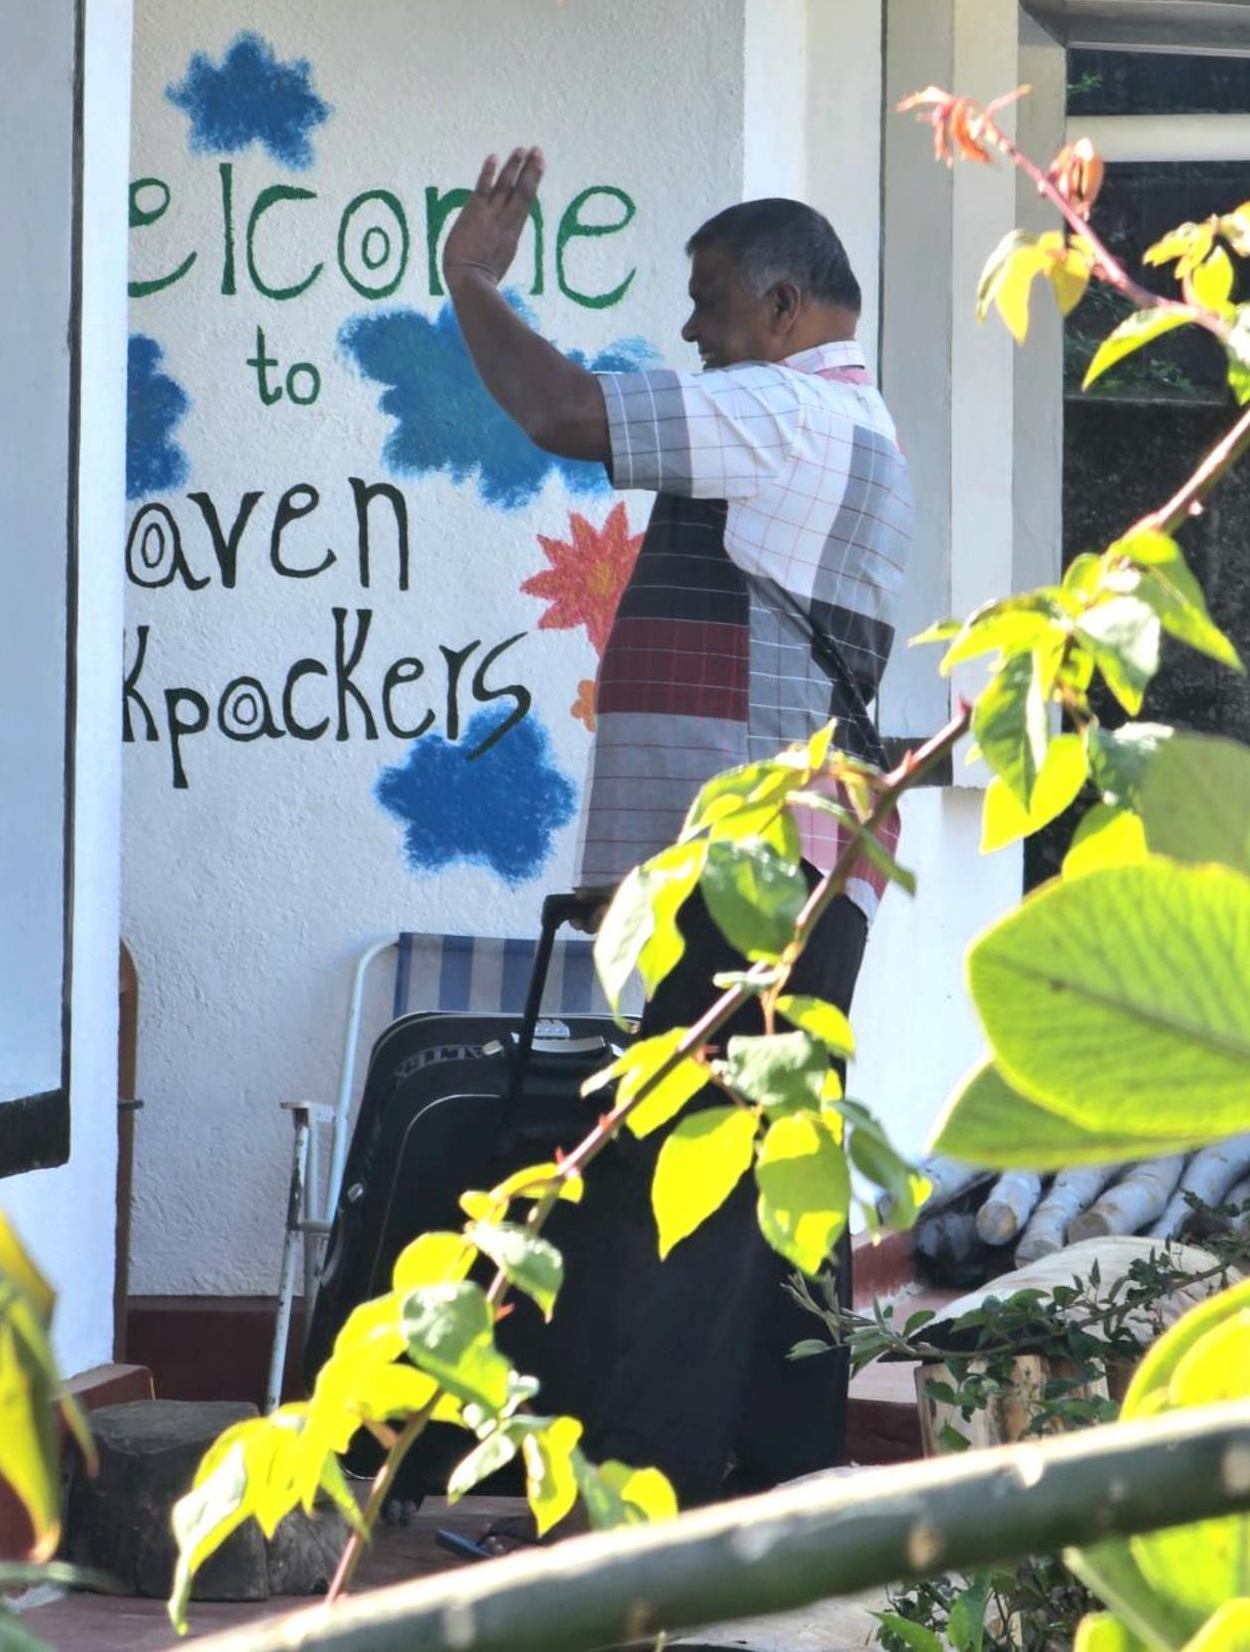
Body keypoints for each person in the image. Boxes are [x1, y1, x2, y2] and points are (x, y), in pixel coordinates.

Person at [443, 147, 911, 1508]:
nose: (692, 333)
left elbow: (565, 414)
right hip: (784, 872)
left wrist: (471, 281)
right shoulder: (824, 417)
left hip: (757, 877)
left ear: (778, 307)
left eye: (706, 302)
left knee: (685, 1185)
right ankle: (779, 1478)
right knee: (769, 1176)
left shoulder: (787, 411)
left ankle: (633, 1509)